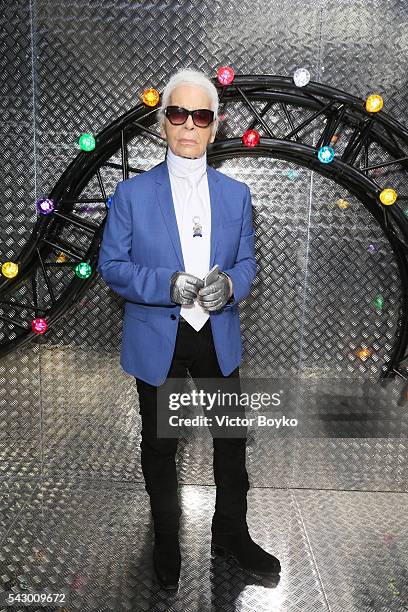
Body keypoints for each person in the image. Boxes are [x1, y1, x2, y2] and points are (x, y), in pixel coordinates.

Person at [97, 68, 281, 590]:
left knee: (232, 438)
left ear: (215, 126)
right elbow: (112, 267)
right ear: (162, 123)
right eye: (178, 113)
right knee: (161, 445)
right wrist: (166, 282)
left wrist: (234, 287)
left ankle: (231, 533)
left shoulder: (236, 194)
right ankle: (166, 539)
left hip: (216, 337)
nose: (189, 125)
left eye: (200, 116)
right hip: (159, 339)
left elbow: (246, 263)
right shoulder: (131, 195)